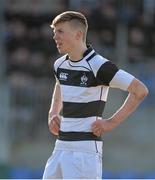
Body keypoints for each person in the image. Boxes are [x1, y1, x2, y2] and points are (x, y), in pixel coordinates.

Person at [42, 11, 148, 179]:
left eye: (60, 31)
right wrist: (53, 112)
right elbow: (59, 84)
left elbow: (140, 90)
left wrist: (111, 123)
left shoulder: (99, 66)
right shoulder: (59, 64)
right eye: (54, 32)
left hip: (85, 152)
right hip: (60, 147)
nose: (55, 37)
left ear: (78, 34)